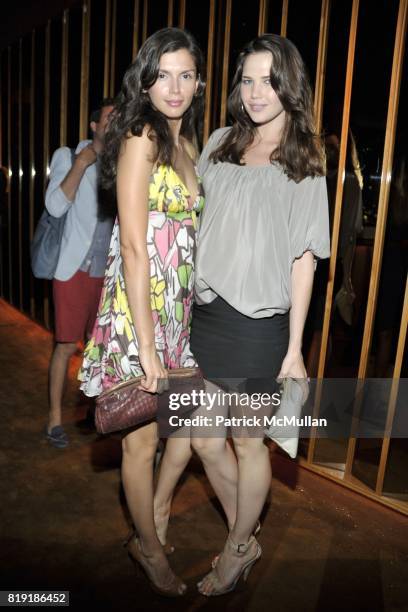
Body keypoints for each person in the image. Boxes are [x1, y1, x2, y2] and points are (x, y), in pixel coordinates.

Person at [188, 34, 330, 595]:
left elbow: (304, 261)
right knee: (202, 439)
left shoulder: (304, 159)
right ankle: (244, 536)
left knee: (248, 443)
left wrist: (294, 349)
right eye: (247, 79)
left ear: (289, 85)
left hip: (258, 329)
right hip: (207, 319)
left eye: (269, 80)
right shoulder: (221, 141)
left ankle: (236, 548)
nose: (255, 91)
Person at [78, 28, 206, 596]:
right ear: (145, 79)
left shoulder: (188, 144)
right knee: (139, 440)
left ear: (198, 81)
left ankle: (149, 522)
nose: (173, 87)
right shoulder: (139, 135)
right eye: (163, 74)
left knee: (176, 428)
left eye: (185, 74)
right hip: (138, 310)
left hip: (175, 308)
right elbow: (132, 243)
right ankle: (148, 549)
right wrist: (148, 345)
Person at [45, 98, 115, 448]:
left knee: (98, 349)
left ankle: (94, 411)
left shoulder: (123, 163)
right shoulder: (68, 155)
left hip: (108, 273)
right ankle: (55, 418)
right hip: (74, 269)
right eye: (108, 117)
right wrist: (81, 164)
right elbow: (55, 205)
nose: (114, 122)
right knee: (64, 345)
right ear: (93, 125)